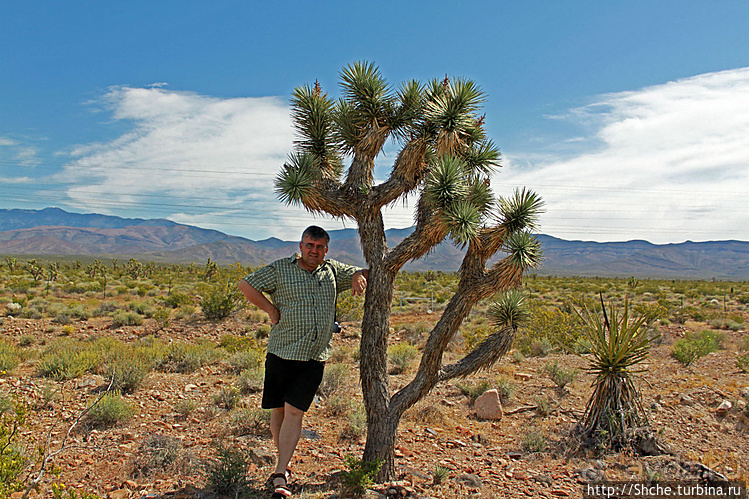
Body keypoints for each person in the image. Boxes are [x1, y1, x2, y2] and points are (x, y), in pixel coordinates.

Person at [238, 225, 368, 498]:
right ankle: (282, 461)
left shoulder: (331, 269)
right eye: (310, 245)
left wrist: (357, 276)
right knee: (279, 411)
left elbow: (361, 271)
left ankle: (280, 472)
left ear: (326, 250)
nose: (314, 251)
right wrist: (271, 309)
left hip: (314, 355)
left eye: (320, 247)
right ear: (300, 246)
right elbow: (246, 285)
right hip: (282, 351)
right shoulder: (281, 269)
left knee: (295, 411)